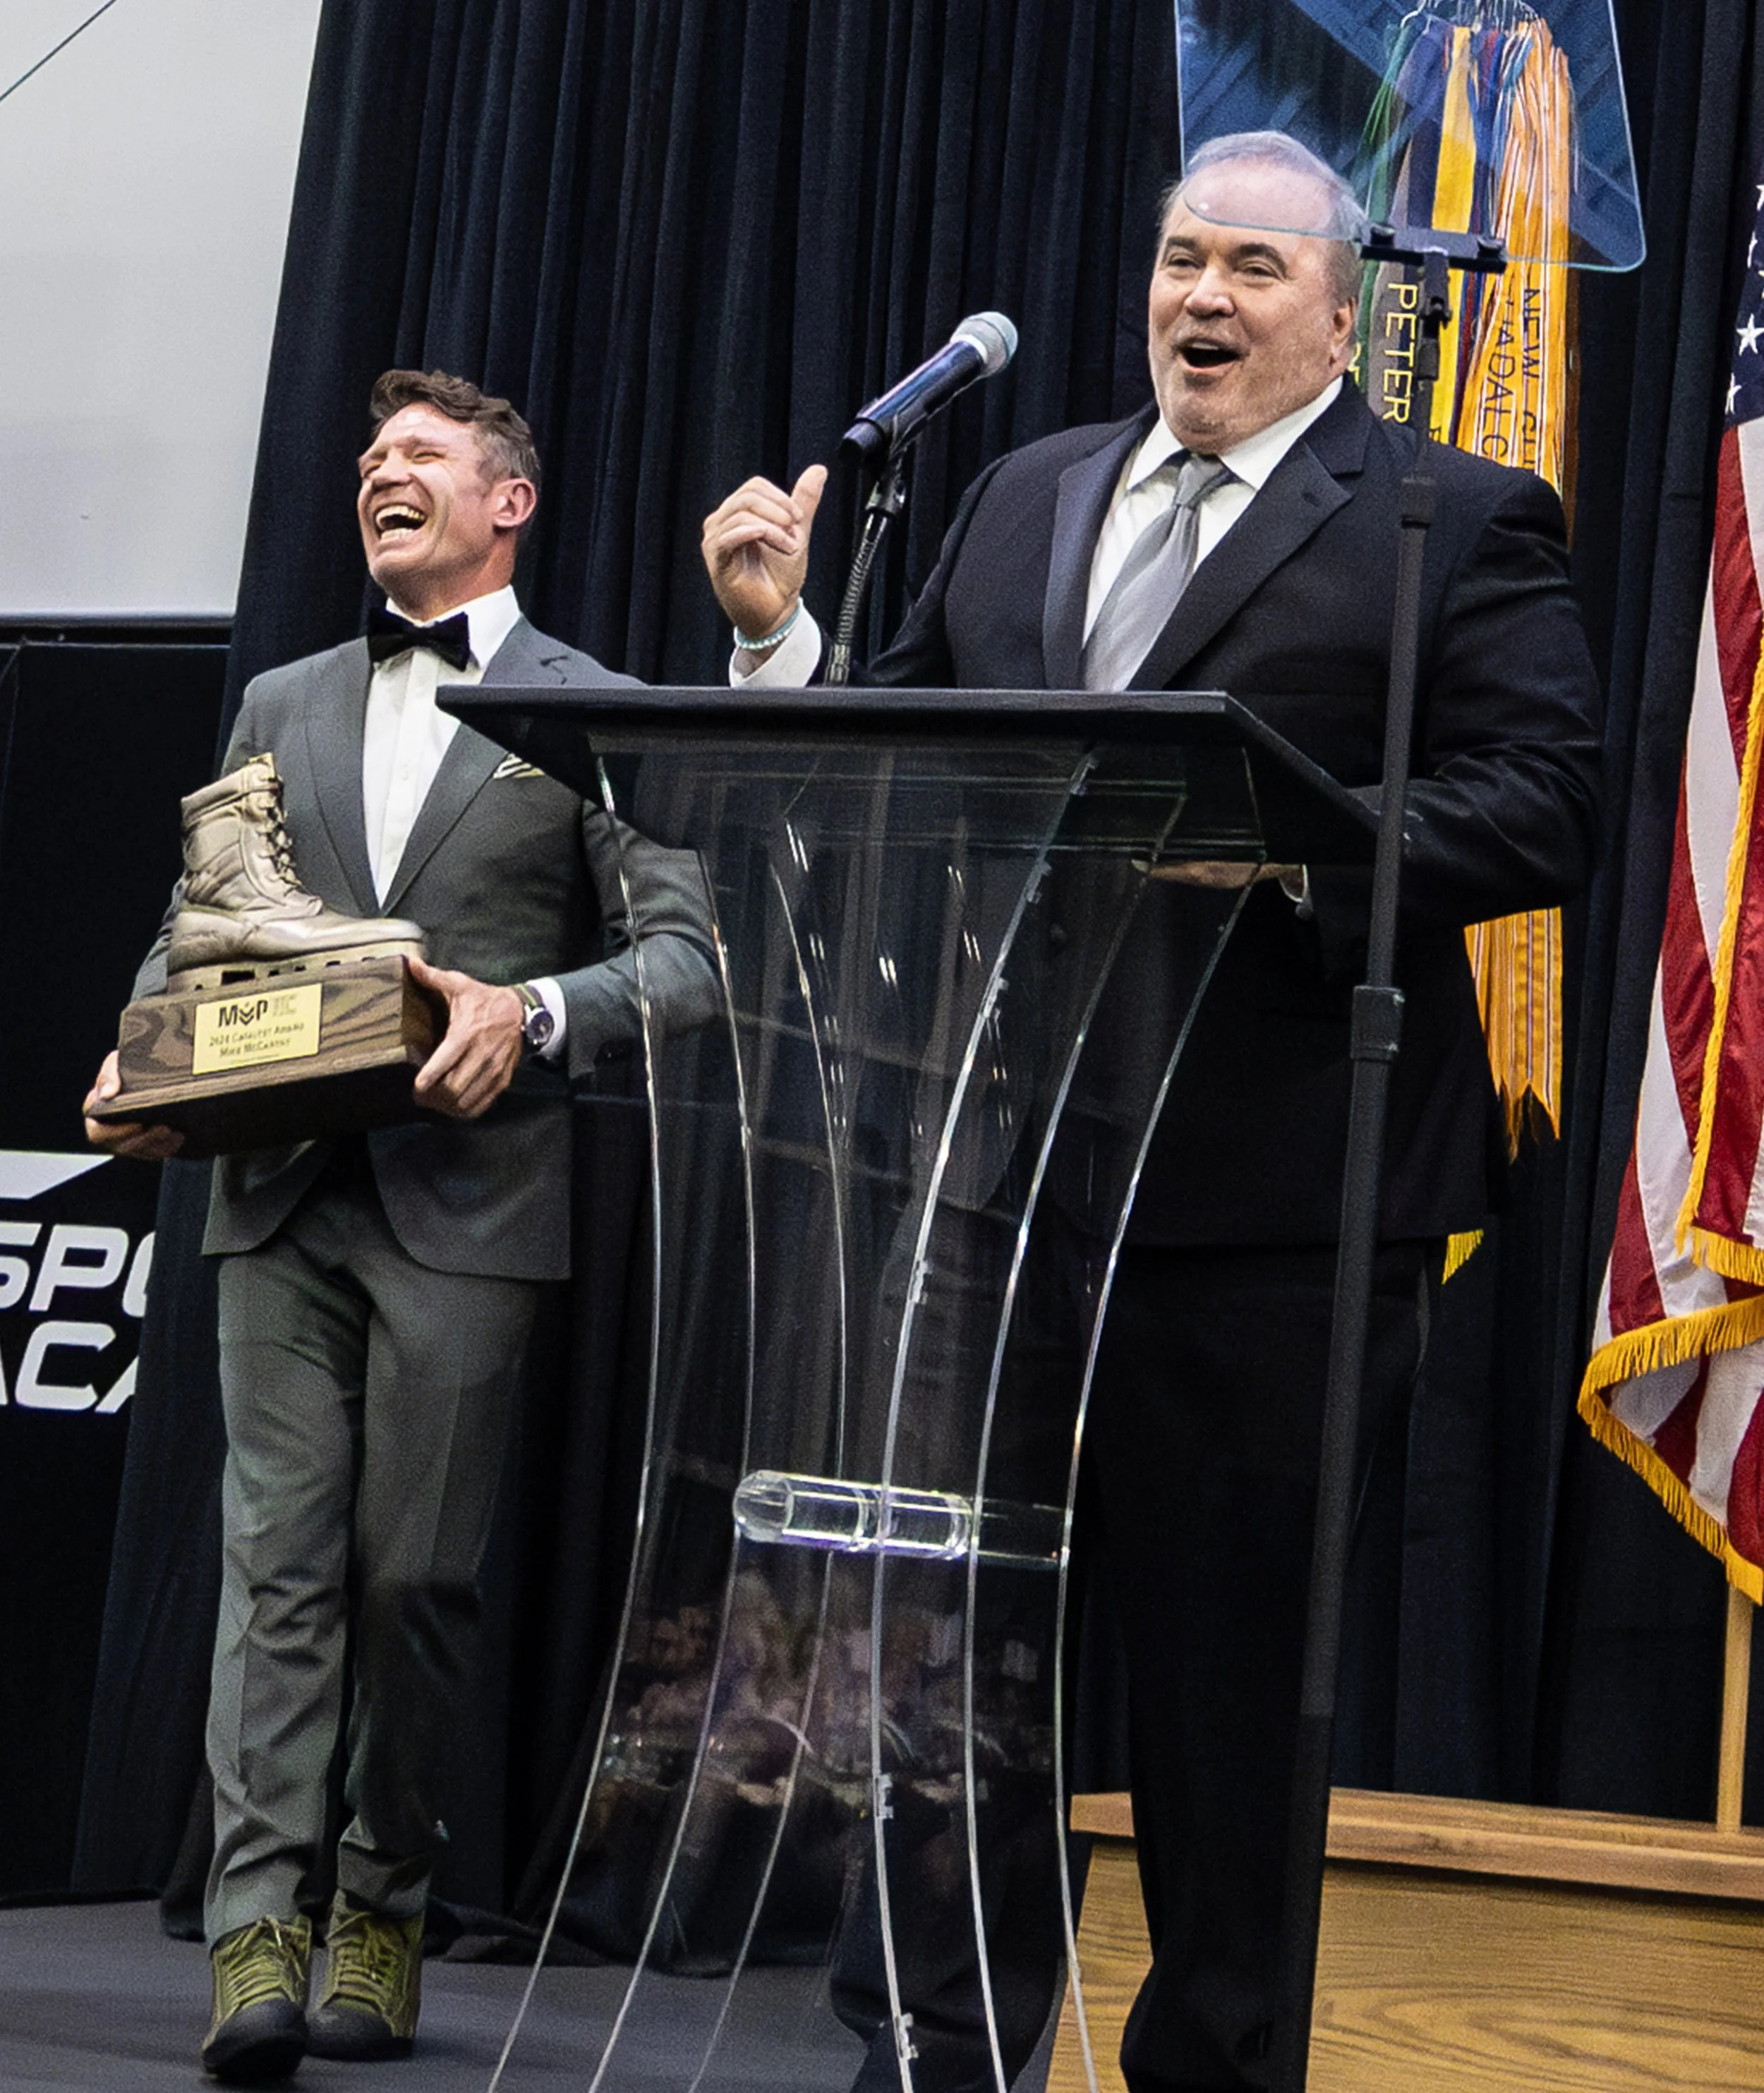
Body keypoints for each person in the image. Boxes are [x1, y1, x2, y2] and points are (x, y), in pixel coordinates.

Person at [701, 132, 1601, 2093]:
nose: (1200, 298)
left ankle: (1206, 2064)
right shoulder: (1026, 489)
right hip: (998, 1181)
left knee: (1216, 1695)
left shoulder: (1447, 517)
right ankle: (936, 2050)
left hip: (1272, 1209)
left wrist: (1288, 853)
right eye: (1179, 259)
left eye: (1249, 270)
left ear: (1339, 306)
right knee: (958, 1675)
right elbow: (906, 755)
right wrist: (784, 643)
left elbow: (1543, 803)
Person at [85, 370, 719, 2085]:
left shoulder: (596, 704)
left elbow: (685, 958)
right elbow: (195, 927)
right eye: (371, 459)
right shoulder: (284, 697)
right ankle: (257, 1937)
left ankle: (387, 1899)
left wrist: (527, 1009)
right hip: (279, 1192)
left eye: (420, 456)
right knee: (273, 1573)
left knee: (414, 1581)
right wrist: (137, 1054)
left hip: (474, 1200)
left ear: (506, 500)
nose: (381, 472)